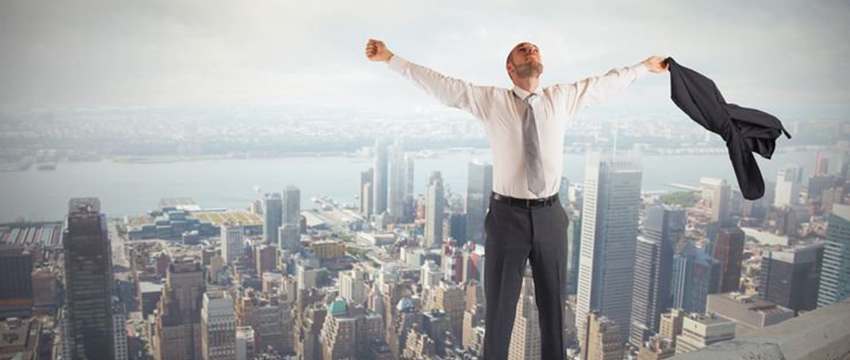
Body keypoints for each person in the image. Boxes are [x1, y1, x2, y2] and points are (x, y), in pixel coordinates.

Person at [366, 38, 667, 359]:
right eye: (522, 49)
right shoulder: (491, 100)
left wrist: (641, 68)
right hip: (507, 217)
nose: (531, 49)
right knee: (499, 312)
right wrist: (390, 59)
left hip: (551, 215)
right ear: (510, 68)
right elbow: (442, 85)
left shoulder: (561, 98)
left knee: (553, 309)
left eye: (535, 48)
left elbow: (604, 84)